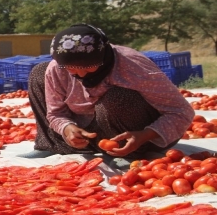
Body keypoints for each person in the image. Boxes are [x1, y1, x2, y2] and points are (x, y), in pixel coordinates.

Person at [19, 23, 194, 167]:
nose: (80, 75)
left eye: (87, 67)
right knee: (38, 72)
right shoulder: (57, 68)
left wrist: (145, 134)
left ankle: (132, 152)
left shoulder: (132, 65)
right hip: (95, 132)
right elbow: (56, 113)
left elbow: (181, 111)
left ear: (102, 57)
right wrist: (67, 128)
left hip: (139, 132)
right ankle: (53, 144)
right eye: (72, 68)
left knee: (116, 96)